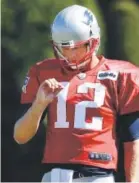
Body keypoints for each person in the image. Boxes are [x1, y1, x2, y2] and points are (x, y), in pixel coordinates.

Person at [13, 4, 139, 182]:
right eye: (65, 47)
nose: (71, 54)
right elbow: (20, 136)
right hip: (53, 176)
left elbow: (133, 138)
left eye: (77, 47)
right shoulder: (43, 73)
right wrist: (39, 105)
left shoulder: (122, 75)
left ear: (93, 41)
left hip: (97, 177)